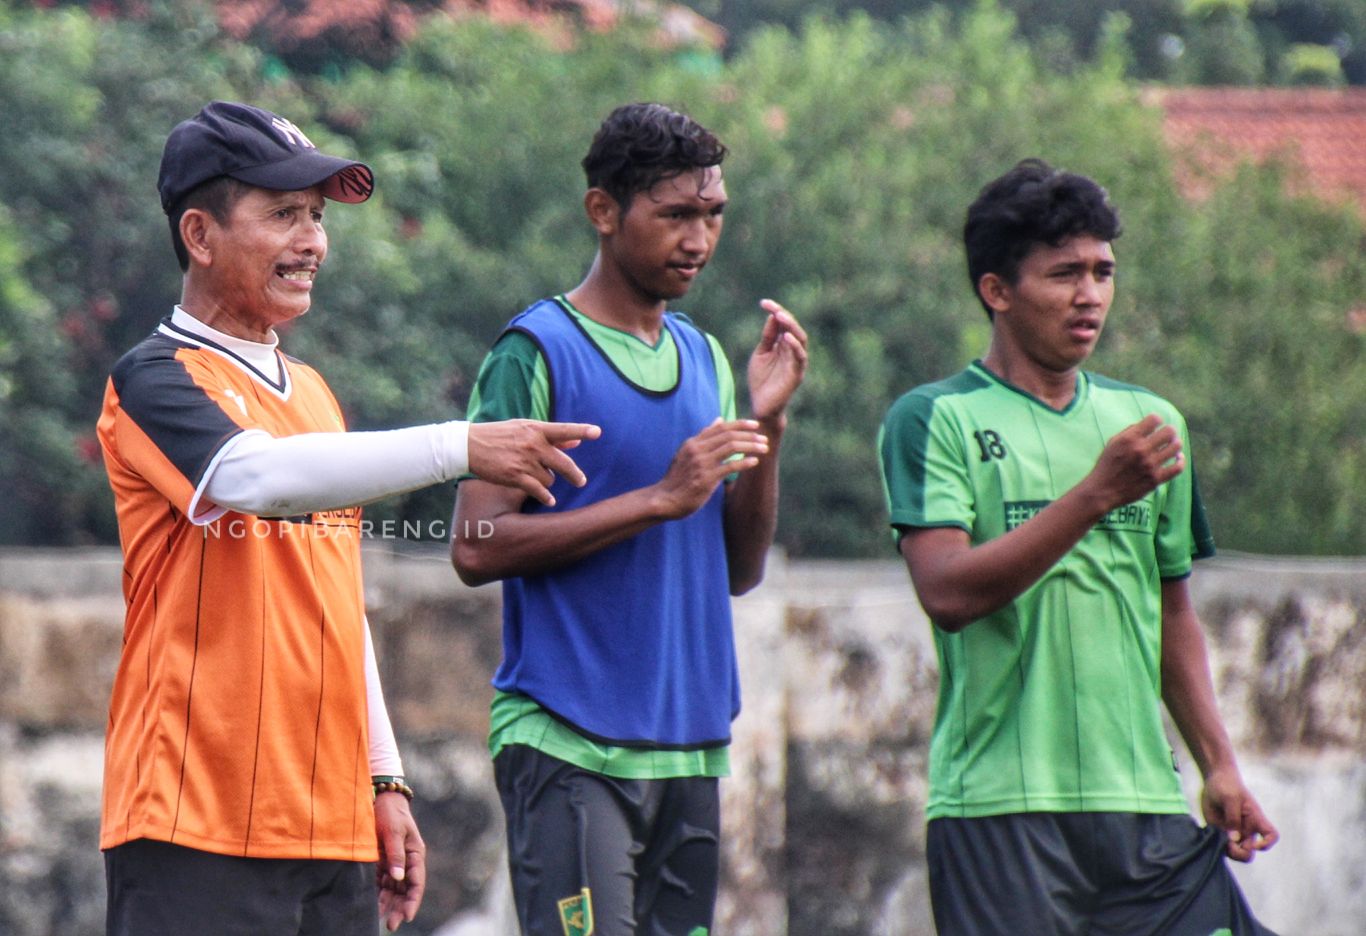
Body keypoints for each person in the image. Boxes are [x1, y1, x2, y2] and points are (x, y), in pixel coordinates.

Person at [96, 100, 600, 936]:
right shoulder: (151, 378)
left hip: (331, 826)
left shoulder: (318, 395)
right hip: (196, 819)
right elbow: (254, 478)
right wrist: (458, 446)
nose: (313, 242)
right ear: (198, 233)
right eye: (283, 214)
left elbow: (337, 601)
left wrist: (384, 779)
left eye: (319, 217)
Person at [878, 158, 1279, 935]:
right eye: (1064, 273)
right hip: (1003, 813)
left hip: (1147, 809)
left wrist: (1218, 763)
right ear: (998, 290)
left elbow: (1172, 614)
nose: (1090, 294)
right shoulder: (934, 419)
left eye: (1103, 272)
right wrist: (1095, 494)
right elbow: (949, 593)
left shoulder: (1151, 425)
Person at [450, 102, 807, 936]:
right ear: (604, 212)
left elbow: (737, 570)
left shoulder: (706, 358)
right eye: (675, 215)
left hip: (688, 742)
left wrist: (769, 425)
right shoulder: (534, 352)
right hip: (569, 740)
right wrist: (656, 498)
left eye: (712, 214)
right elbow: (473, 546)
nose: (699, 240)